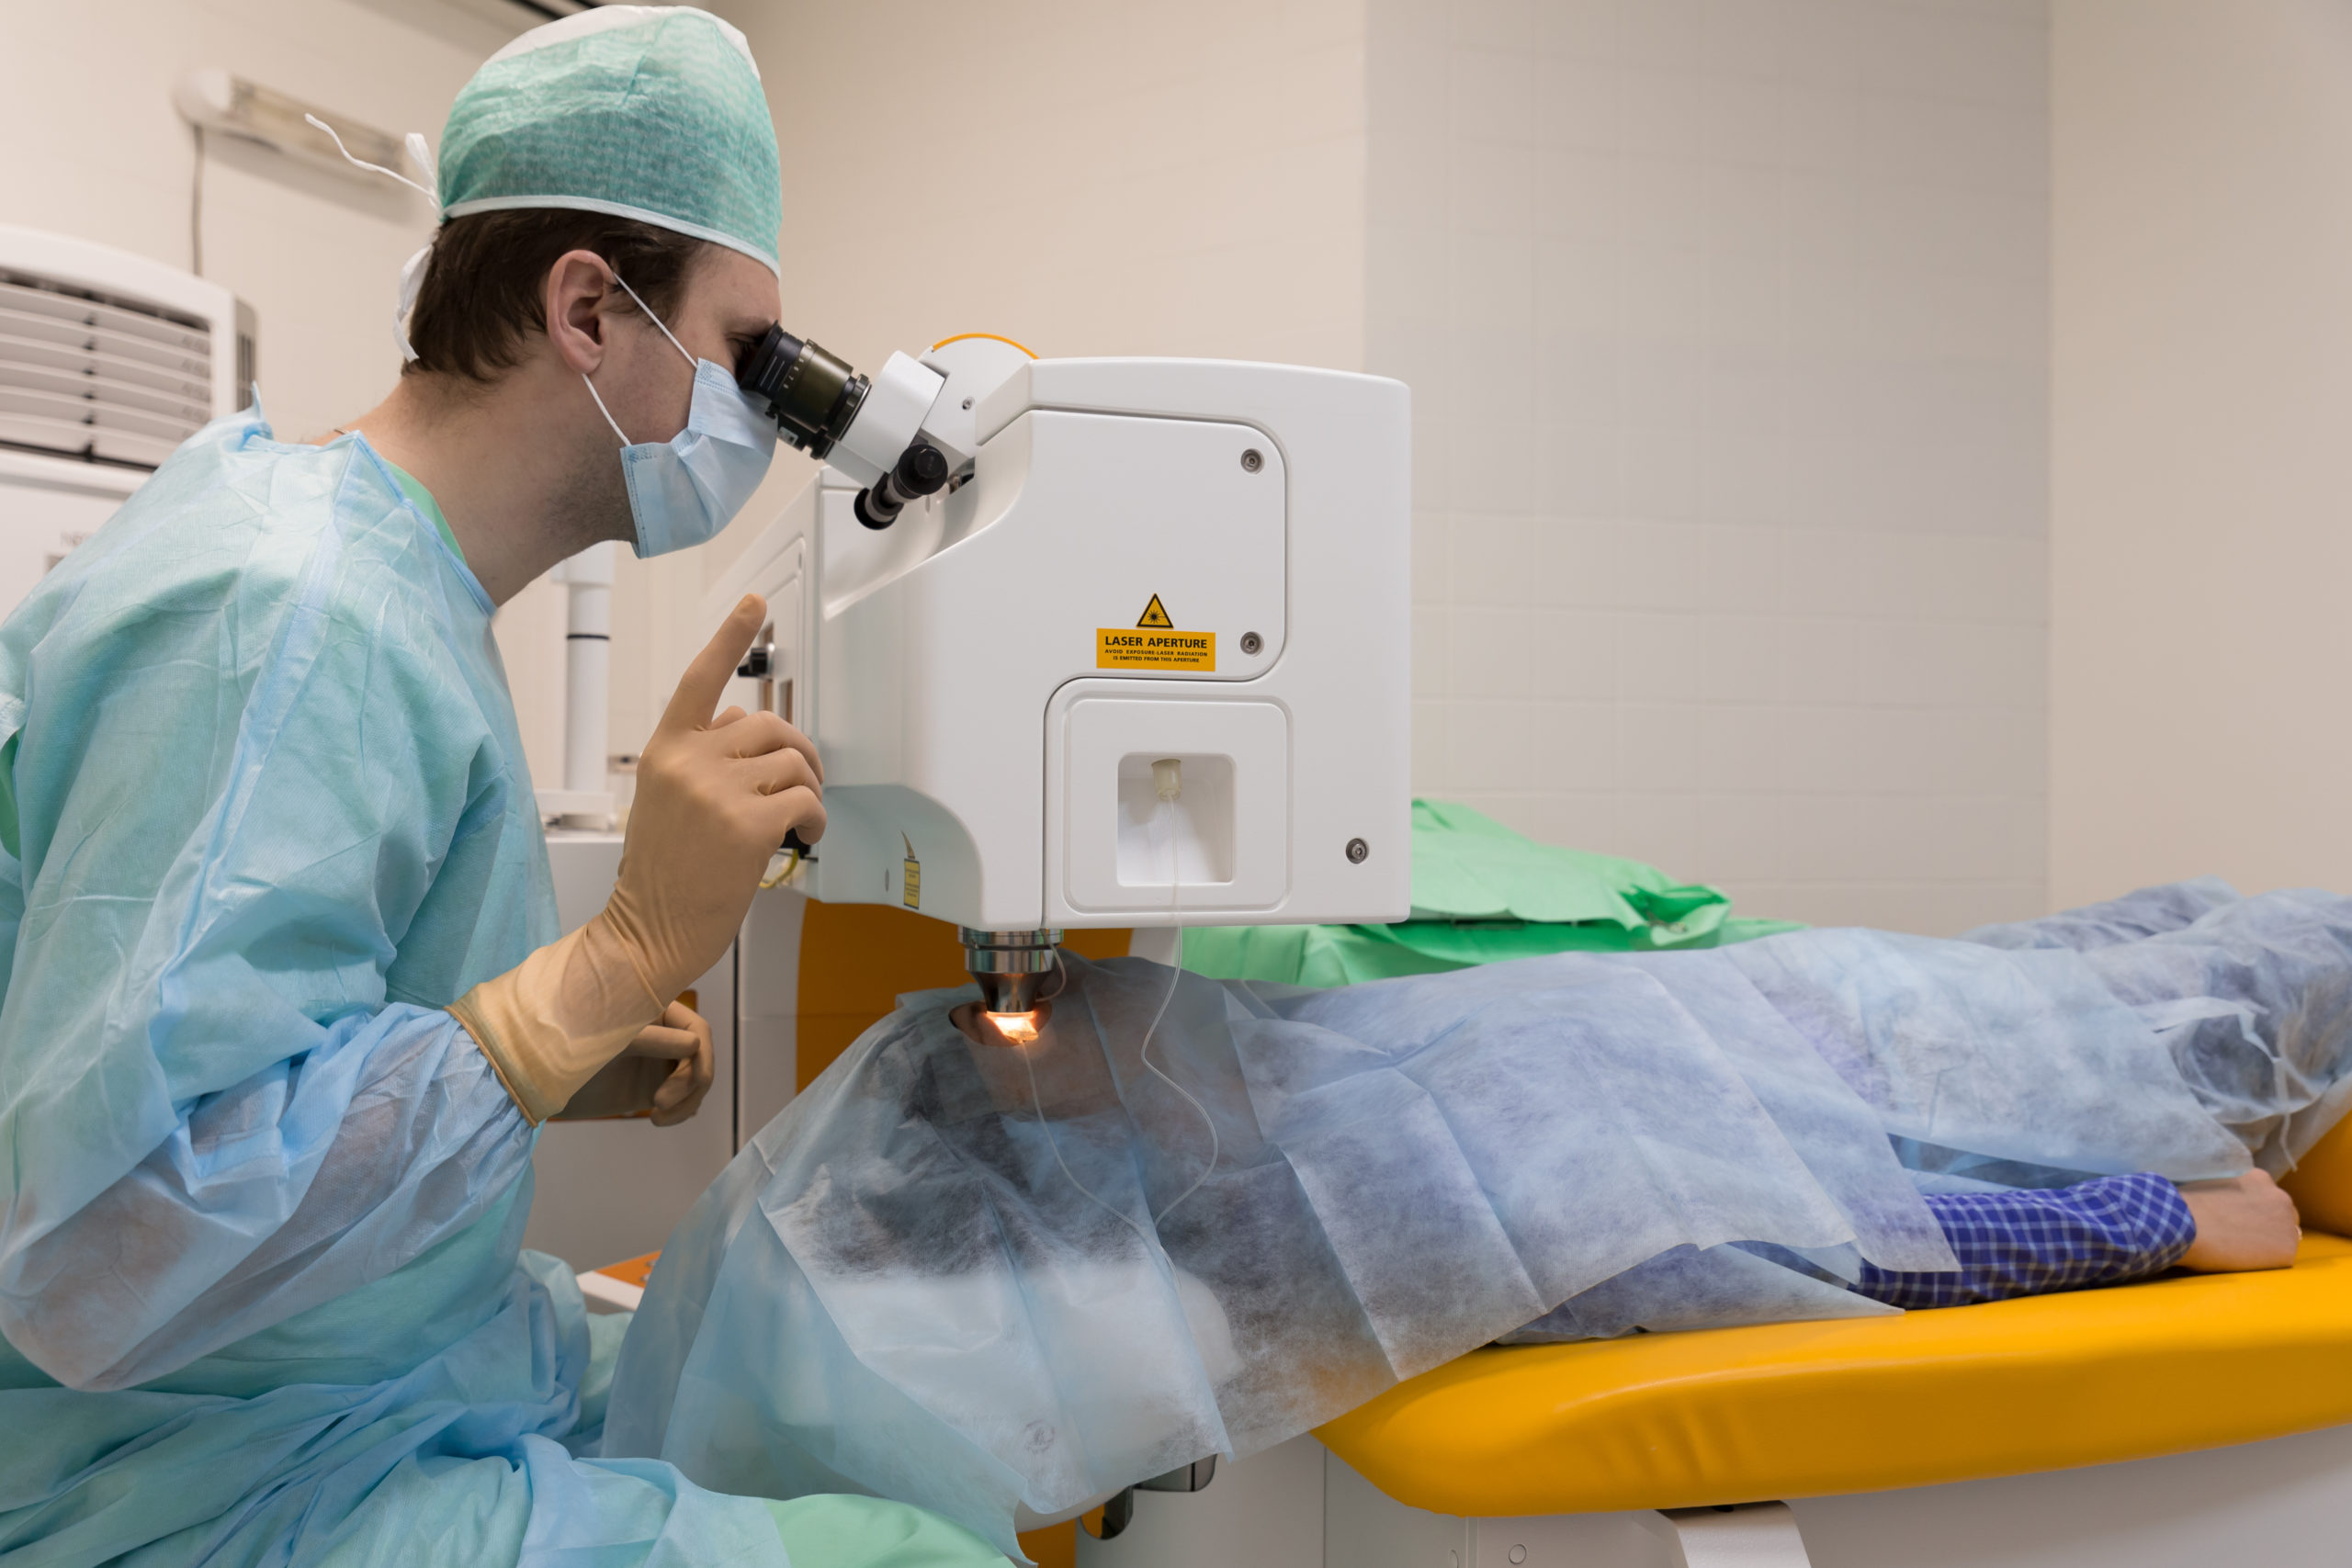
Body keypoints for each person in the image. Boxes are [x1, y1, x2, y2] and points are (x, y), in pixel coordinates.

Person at [0, 8, 1005, 1565]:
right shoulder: (290, 613)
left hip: (362, 1379)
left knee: (888, 1431)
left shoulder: (379, 581)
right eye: (750, 355)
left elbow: (277, 1023)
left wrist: (545, 1055)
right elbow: (104, 1248)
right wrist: (592, 980)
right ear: (589, 309)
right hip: (192, 1476)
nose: (766, 411)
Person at [604, 881, 2352, 1554]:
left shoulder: (1334, 1226)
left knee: (2277, 959)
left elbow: (1771, 1234)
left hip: (1925, 1064)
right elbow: (1735, 1210)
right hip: (1874, 1014)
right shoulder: (1221, 1099)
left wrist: (2154, 1223)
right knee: (2254, 939)